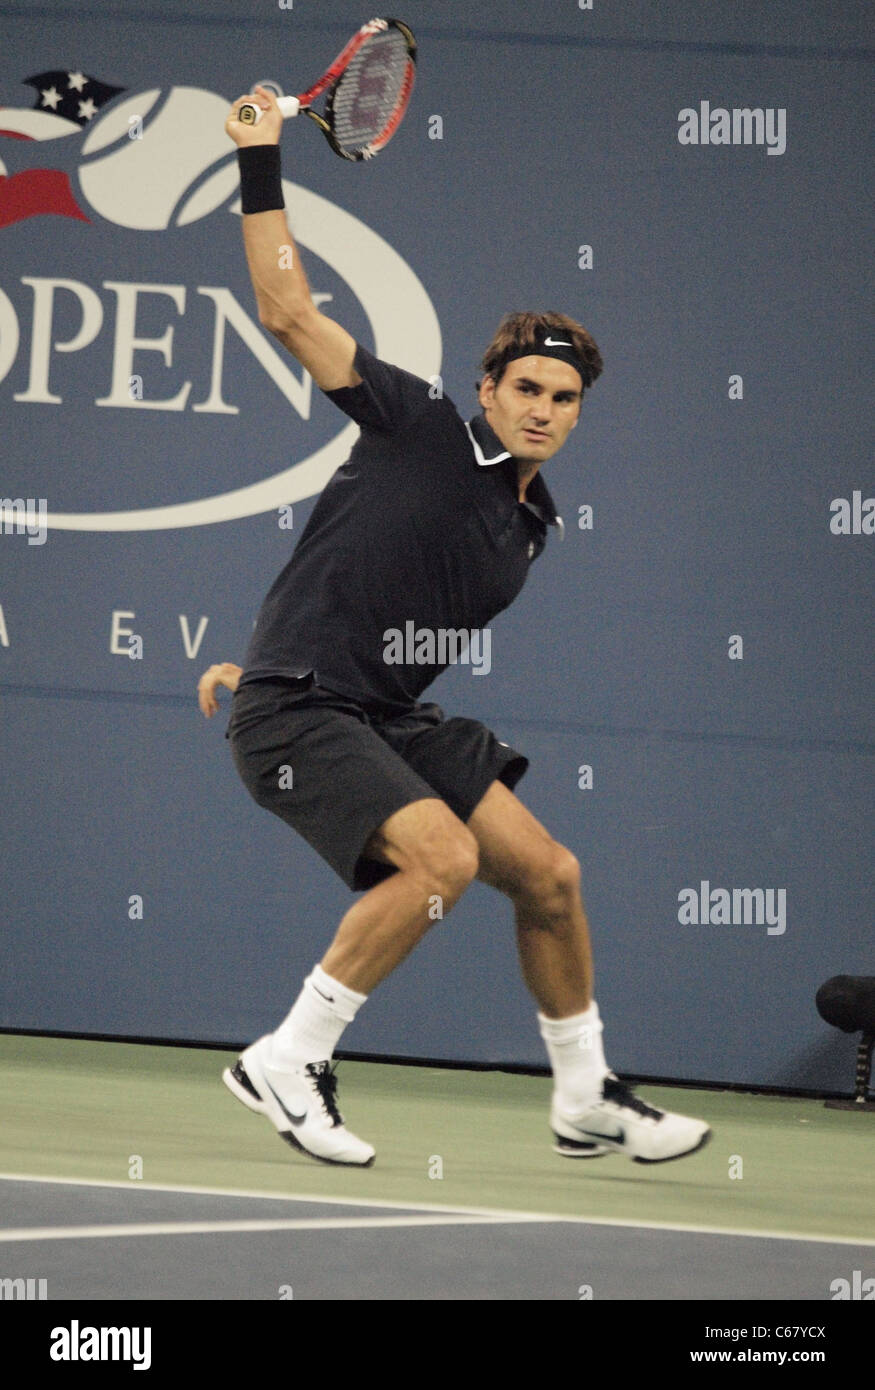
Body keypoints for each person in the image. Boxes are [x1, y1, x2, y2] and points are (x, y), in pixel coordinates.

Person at [206, 86, 711, 1169]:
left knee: (548, 873)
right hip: (301, 708)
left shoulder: (534, 523)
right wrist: (257, 157)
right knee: (438, 858)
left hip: (381, 710)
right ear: (486, 388)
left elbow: (382, 591)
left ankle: (581, 1092)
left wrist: (274, 639)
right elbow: (288, 308)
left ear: (578, 414)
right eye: (524, 385)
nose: (541, 407)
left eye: (563, 397)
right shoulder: (413, 421)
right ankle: (287, 1058)